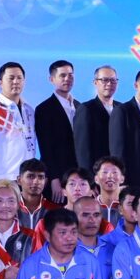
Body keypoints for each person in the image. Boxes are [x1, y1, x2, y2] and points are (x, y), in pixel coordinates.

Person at [0, 62, 36, 187]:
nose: (16, 81)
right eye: (11, 78)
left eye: (19, 78)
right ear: (0, 83)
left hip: (28, 180)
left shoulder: (29, 110)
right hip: (5, 180)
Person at [34, 60, 78, 203]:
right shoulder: (44, 109)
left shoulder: (80, 106)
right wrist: (54, 178)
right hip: (58, 176)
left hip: (78, 176)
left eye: (70, 75)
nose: (67, 79)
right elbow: (46, 148)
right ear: (52, 79)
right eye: (62, 75)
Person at [73, 65, 118, 172]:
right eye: (104, 80)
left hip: (117, 172)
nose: (109, 84)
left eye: (113, 80)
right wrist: (88, 177)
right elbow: (82, 149)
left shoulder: (121, 108)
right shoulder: (86, 109)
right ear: (95, 83)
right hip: (97, 172)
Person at [16, 159, 58, 230]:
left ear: (45, 182)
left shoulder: (55, 211)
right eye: (31, 176)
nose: (36, 181)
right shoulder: (8, 208)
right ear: (19, 180)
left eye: (41, 177)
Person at [93, 155, 125, 226]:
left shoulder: (128, 206)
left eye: (114, 172)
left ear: (122, 179)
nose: (110, 176)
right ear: (96, 179)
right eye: (105, 172)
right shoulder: (90, 207)